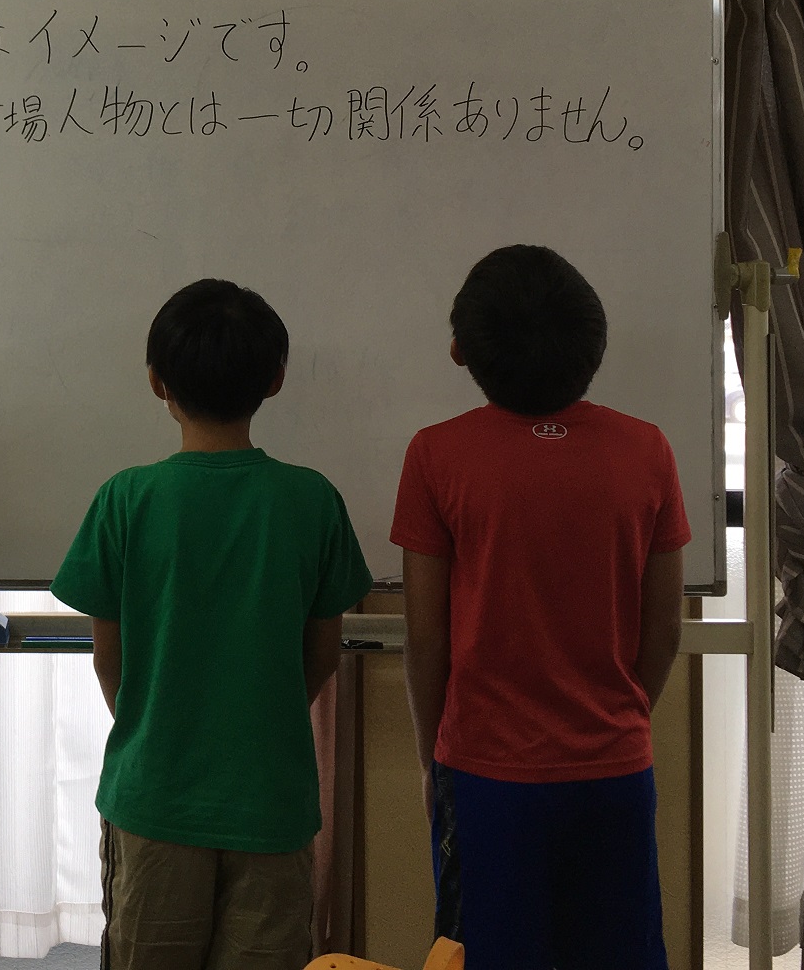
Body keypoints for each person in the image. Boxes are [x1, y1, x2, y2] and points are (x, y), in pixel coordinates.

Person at [52, 278, 374, 970]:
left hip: (153, 795)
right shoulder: (312, 500)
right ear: (276, 379)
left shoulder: (125, 499)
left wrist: (155, 725)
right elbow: (322, 655)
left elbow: (110, 659)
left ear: (157, 382)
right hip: (271, 802)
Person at [393, 245, 690, 970]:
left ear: (461, 350)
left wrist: (434, 758)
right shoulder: (647, 450)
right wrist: (618, 718)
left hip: (485, 775)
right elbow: (664, 629)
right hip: (614, 771)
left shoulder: (436, 455)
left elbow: (426, 639)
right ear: (594, 347)